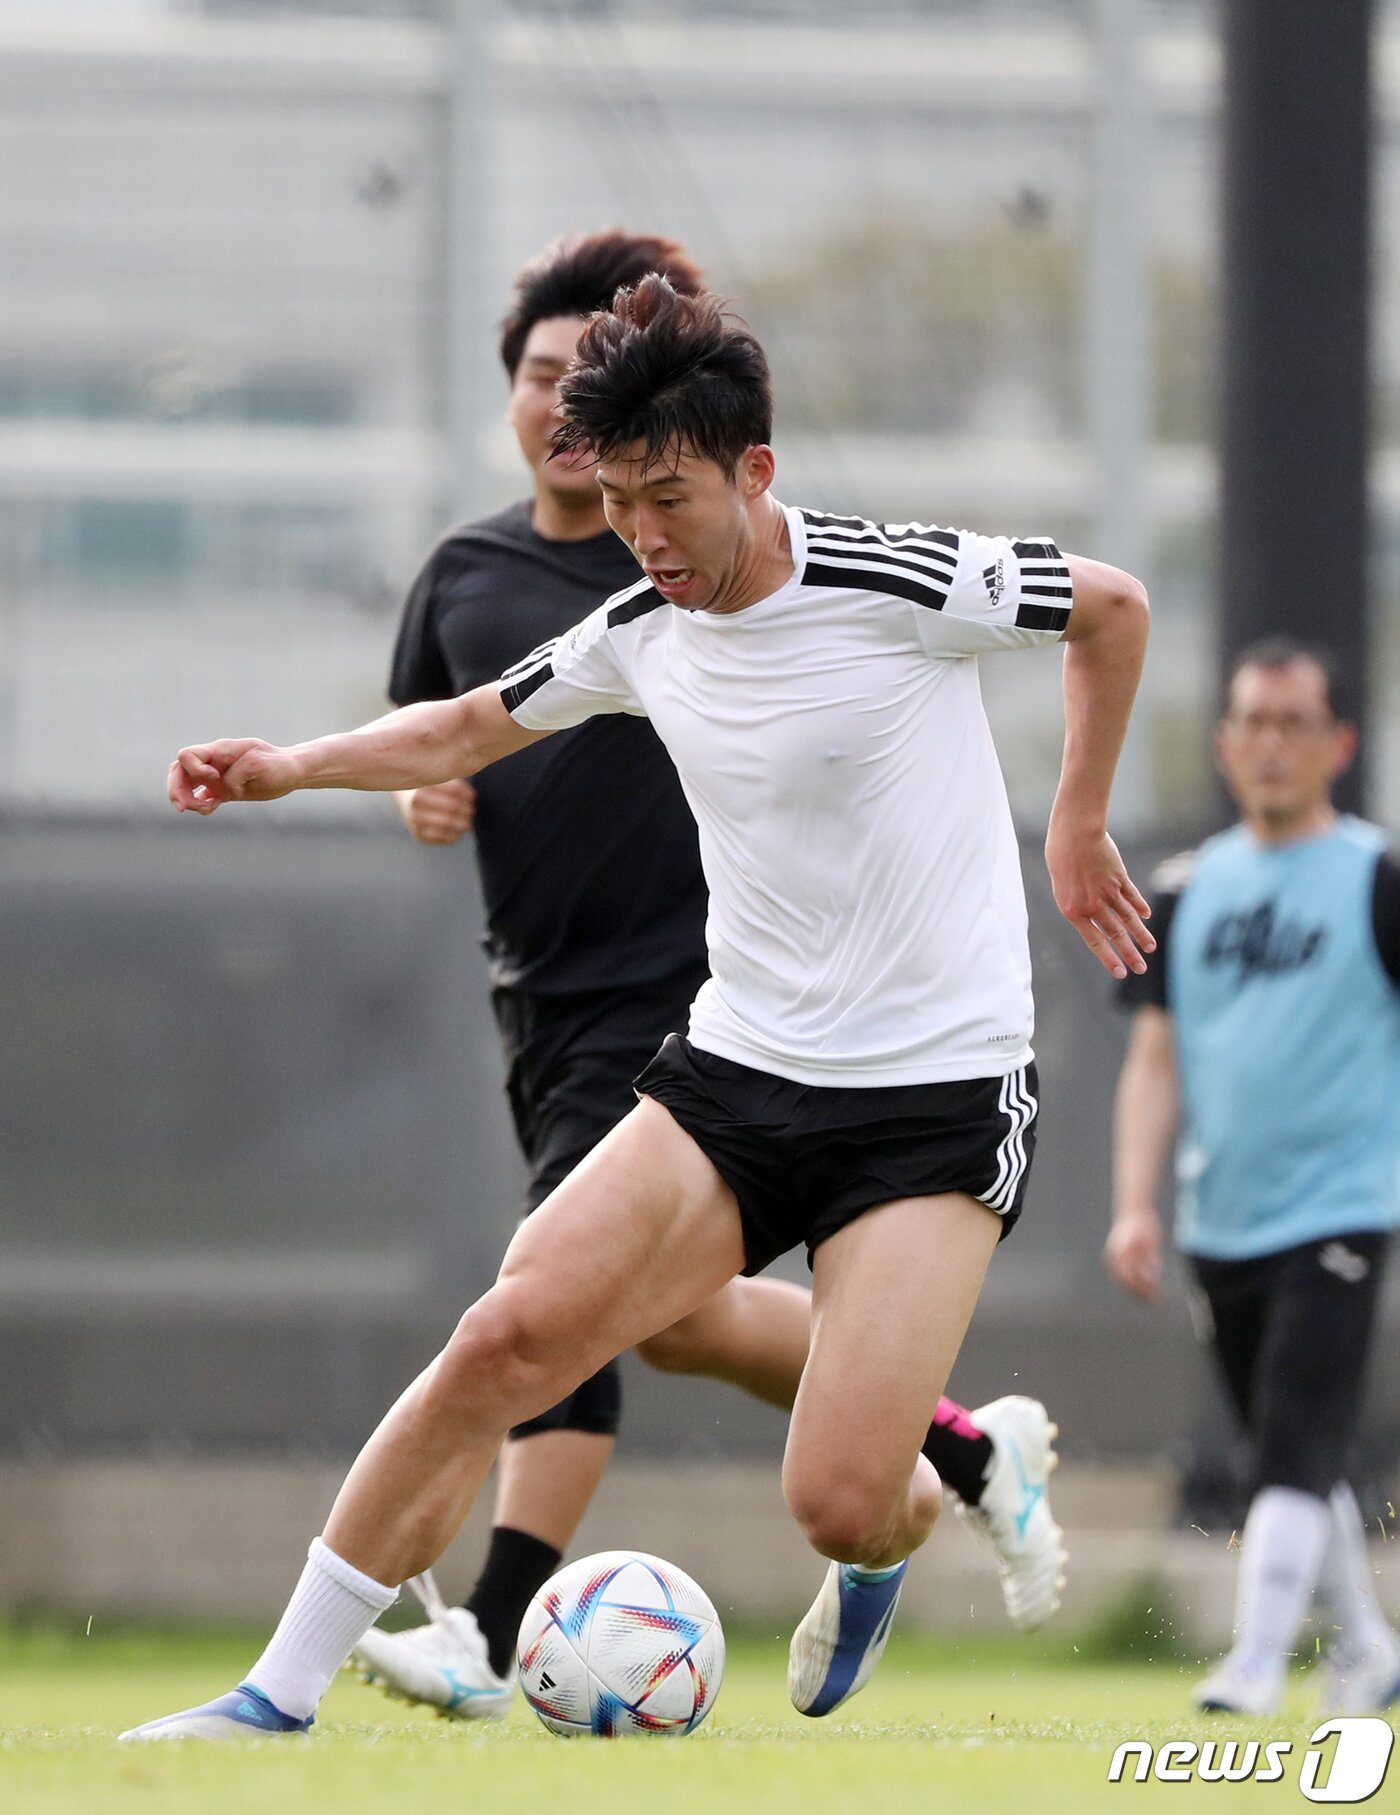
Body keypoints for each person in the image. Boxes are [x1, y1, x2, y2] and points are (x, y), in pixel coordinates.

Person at [125, 274, 1150, 1741]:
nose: (646, 534)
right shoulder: (636, 628)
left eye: (670, 494)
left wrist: (1077, 819)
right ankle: (270, 1694)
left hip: (934, 1093)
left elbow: (1112, 606)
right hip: (738, 1070)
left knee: (843, 1498)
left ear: (755, 471)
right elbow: (472, 720)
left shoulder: (894, 579)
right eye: (617, 502)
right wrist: (289, 763)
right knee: (506, 1336)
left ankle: (883, 1550)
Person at [354, 229, 1068, 1723]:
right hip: (543, 991)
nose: (564, 413)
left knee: (547, 1301)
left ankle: (487, 1626)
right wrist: (336, 775)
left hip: (702, 1007)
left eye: (582, 380)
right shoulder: (488, 579)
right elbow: (444, 732)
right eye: (541, 382)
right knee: (668, 1318)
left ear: (725, 463)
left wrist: (1075, 821)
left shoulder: (770, 563)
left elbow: (1089, 607)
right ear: (517, 406)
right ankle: (952, 1444)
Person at [1107, 640, 1400, 1717]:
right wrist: (1134, 1203)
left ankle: (1253, 1663)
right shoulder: (1183, 892)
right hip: (1218, 1222)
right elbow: (1152, 1060)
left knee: (1287, 1432)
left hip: (1341, 1208)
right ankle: (1367, 1647)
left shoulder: (1376, 877)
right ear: (1223, 745)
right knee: (1297, 1451)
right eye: (1252, 723)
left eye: (1292, 723)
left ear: (1336, 744)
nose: (1271, 744)